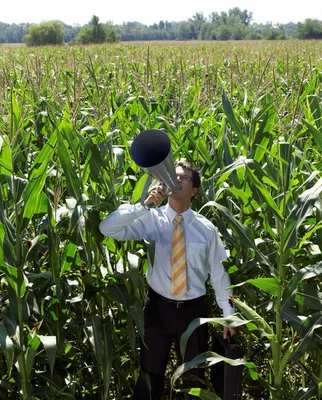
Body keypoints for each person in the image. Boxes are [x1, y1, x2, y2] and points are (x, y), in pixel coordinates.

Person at [99, 160, 236, 400]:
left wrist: (229, 314)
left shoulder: (206, 229)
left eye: (183, 178)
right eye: (172, 176)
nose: (176, 180)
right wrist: (144, 206)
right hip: (157, 310)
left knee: (194, 378)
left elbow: (218, 273)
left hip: (194, 314)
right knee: (149, 376)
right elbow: (107, 228)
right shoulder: (151, 219)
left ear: (194, 190)